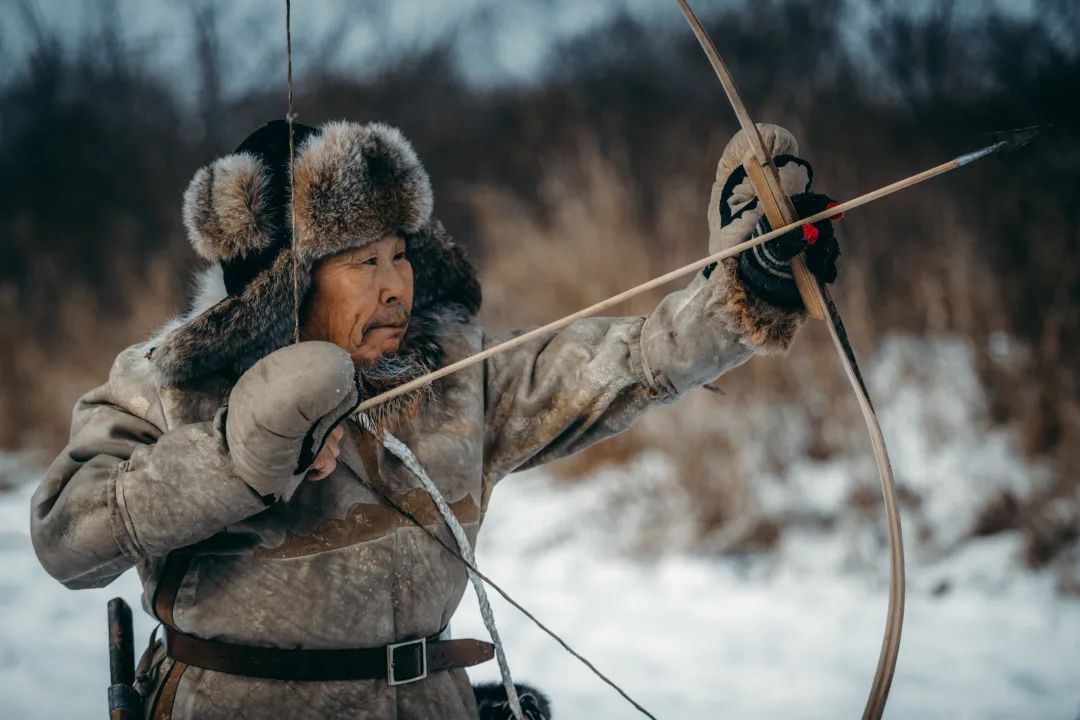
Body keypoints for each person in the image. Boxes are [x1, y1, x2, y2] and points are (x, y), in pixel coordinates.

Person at [30, 119, 840, 719]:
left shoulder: (448, 372)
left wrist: (745, 288)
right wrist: (238, 456)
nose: (395, 286)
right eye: (361, 263)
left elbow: (623, 367)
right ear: (285, 283)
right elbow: (68, 536)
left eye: (399, 254)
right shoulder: (176, 382)